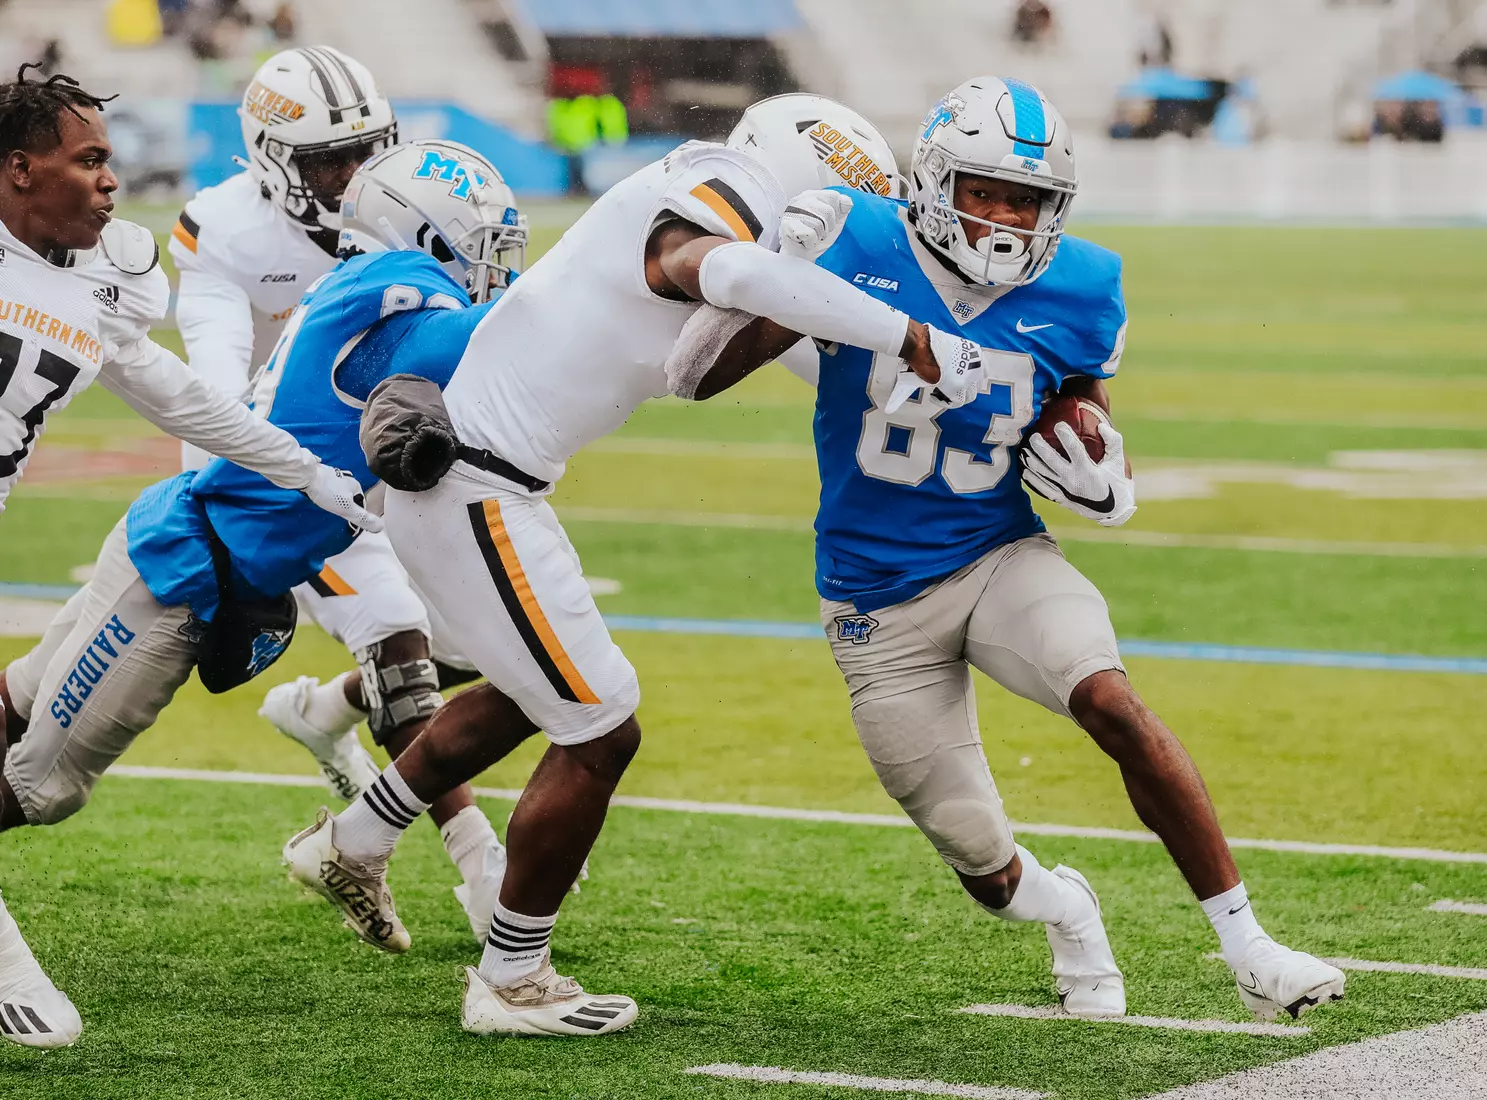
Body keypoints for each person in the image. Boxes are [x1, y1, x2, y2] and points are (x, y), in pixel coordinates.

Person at [283, 93, 986, 1038]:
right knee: (601, 729)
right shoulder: (724, 186)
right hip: (473, 486)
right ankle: (510, 978)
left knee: (536, 692)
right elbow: (728, 270)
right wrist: (906, 334)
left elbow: (710, 362)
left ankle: (354, 840)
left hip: (491, 485)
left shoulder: (720, 201)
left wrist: (933, 383)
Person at [670, 77, 1348, 1025]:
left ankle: (1249, 947)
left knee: (1108, 698)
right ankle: (1067, 909)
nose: (1002, 217)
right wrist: (786, 279)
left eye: (1025, 200)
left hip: (998, 556)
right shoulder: (855, 241)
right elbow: (692, 375)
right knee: (984, 869)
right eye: (983, 191)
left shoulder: (1083, 285)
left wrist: (1104, 475)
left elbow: (1079, 406)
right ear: (933, 182)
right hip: (875, 601)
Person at [0, 139, 522, 1049]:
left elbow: (198, 400)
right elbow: (496, 342)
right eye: (480, 243)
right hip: (184, 576)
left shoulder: (377, 286)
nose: (495, 265)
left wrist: (307, 473)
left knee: (19, 696)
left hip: (182, 540)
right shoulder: (408, 308)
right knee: (44, 787)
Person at [162, 47, 506, 929]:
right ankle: (481, 867)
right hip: (277, 467)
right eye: (329, 161)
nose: (354, 176)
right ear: (273, 161)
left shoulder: (403, 202)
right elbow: (214, 391)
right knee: (395, 635)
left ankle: (323, 713)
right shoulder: (226, 232)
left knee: (475, 638)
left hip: (387, 448)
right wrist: (289, 475)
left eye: (366, 152)